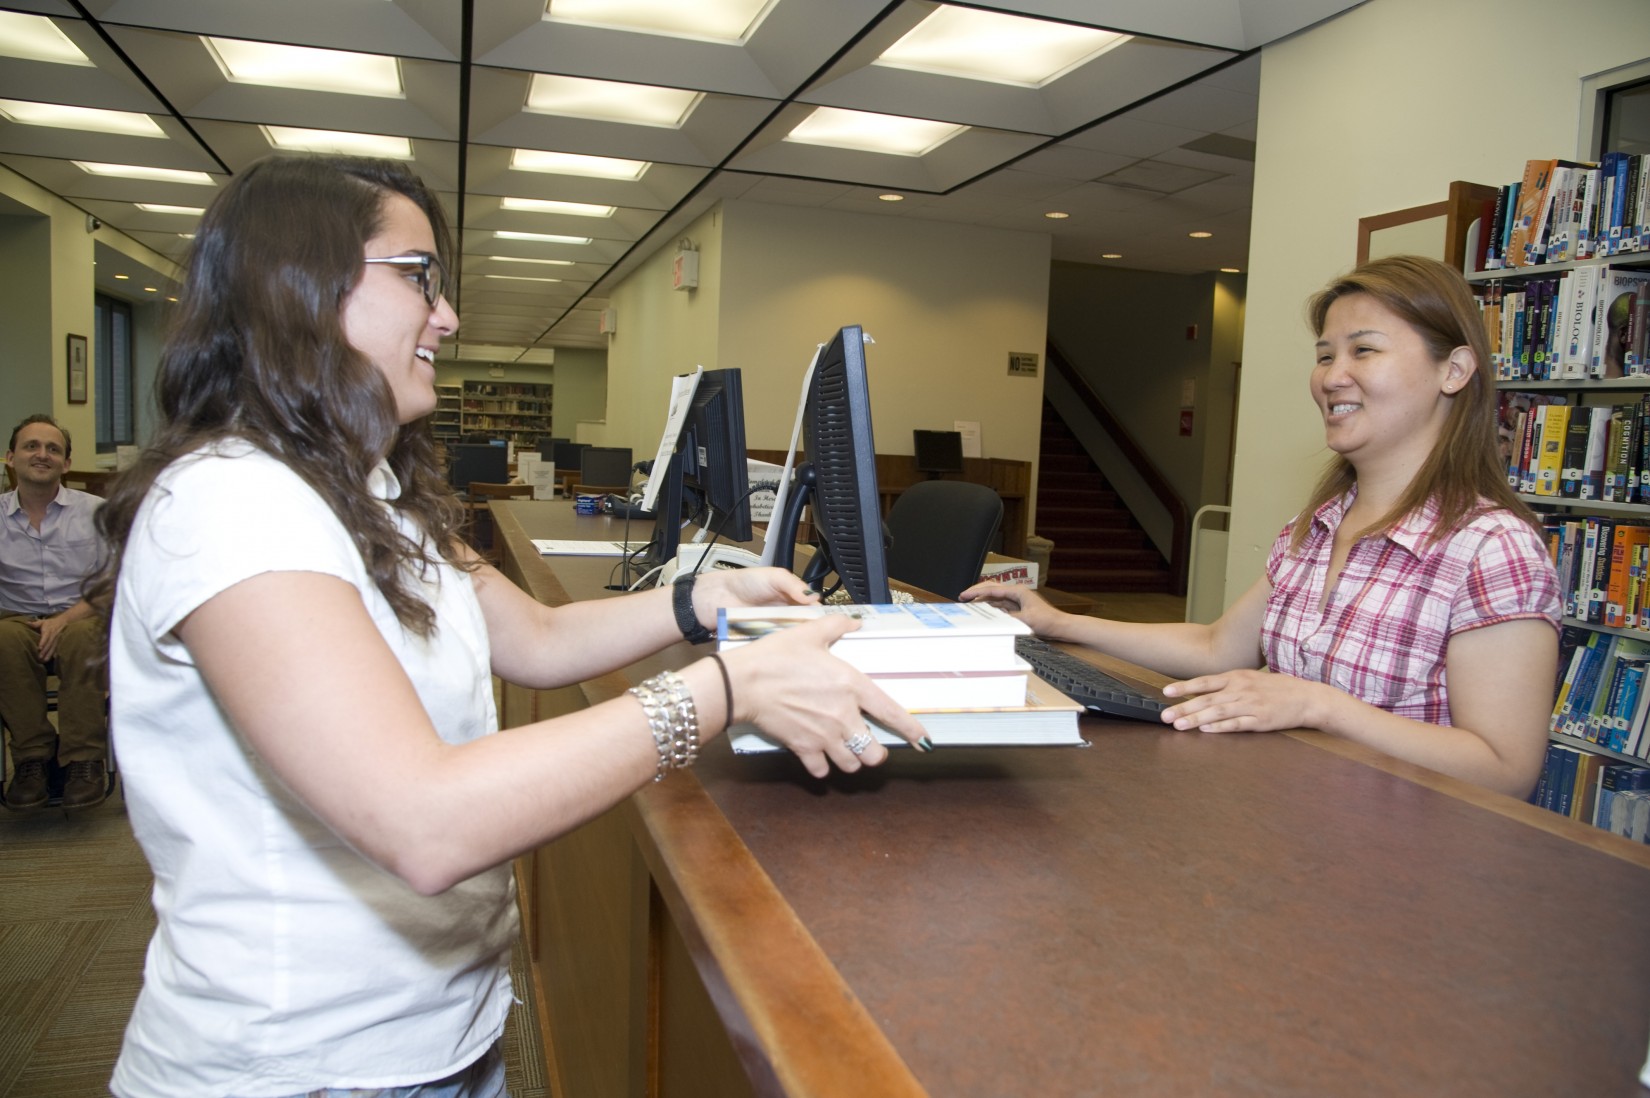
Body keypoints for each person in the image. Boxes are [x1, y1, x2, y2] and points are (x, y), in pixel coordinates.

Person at [88, 155, 927, 1098]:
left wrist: (699, 603)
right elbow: (425, 821)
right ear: (301, 287)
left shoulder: (372, 494)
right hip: (299, 1067)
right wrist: (726, 690)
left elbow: (532, 637)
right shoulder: (233, 505)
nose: (445, 317)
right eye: (418, 279)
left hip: (431, 1039)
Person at [965, 254, 1561, 798]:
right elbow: (1217, 647)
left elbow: (1504, 768)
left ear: (1454, 370)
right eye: (1325, 355)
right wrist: (1056, 621)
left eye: (1364, 350)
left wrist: (1321, 706)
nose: (1332, 376)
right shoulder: (1315, 526)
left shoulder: (1494, 548)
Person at [0, 414, 109, 809]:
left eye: (53, 449)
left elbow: (114, 581)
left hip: (83, 615)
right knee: (4, 639)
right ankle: (33, 760)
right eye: (31, 446)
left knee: (83, 636)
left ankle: (84, 760)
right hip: (16, 619)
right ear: (10, 458)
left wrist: (62, 620)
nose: (41, 455)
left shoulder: (97, 512)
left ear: (65, 463)